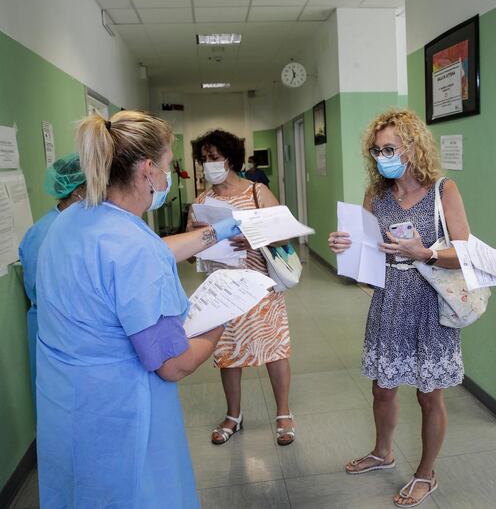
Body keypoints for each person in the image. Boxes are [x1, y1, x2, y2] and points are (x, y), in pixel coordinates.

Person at [34, 111, 241, 508]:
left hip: (68, 403)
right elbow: (173, 364)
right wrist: (223, 315)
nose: (167, 179)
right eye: (167, 167)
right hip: (120, 413)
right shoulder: (133, 247)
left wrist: (215, 232)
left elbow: (138, 258)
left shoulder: (72, 220)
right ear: (147, 170)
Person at [328, 108, 472, 507]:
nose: (382, 157)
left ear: (413, 146)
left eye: (390, 148)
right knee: (382, 387)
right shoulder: (377, 194)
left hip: (430, 302)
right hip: (389, 299)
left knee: (429, 395)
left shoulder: (444, 190)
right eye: (377, 150)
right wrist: (347, 247)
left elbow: (464, 253)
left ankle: (427, 473)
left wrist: (423, 252)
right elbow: (366, 255)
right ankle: (382, 451)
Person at [188, 129, 295, 446]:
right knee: (227, 353)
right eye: (205, 158)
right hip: (222, 289)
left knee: (274, 349)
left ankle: (284, 414)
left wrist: (253, 237)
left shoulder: (256, 192)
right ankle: (233, 415)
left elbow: (285, 236)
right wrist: (198, 236)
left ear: (230, 158)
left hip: (260, 286)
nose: (210, 164)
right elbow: (191, 248)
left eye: (215, 157)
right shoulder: (202, 201)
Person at [18, 153, 85, 406]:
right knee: (59, 402)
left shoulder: (77, 224)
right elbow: (41, 288)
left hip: (69, 328)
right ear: (78, 191)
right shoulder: (46, 231)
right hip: (54, 327)